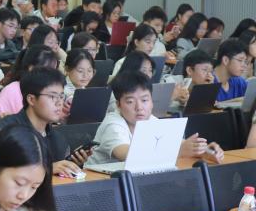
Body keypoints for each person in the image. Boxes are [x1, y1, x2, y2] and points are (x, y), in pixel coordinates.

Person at [86, 71, 223, 167]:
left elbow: (178, 143)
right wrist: (179, 151)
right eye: (130, 102)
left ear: (152, 101)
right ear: (118, 105)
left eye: (144, 100)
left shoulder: (151, 120)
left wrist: (204, 151)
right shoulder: (113, 123)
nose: (139, 107)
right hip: (99, 184)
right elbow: (128, 155)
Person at [0, 67, 90, 177]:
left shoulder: (58, 139)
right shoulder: (5, 130)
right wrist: (47, 168)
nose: (59, 103)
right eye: (52, 96)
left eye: (61, 96)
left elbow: (57, 175)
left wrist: (72, 164)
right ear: (31, 99)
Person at [0, 46, 59, 117]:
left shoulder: (53, 91)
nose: (52, 75)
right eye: (47, 70)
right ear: (31, 68)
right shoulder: (12, 90)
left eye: (54, 70)